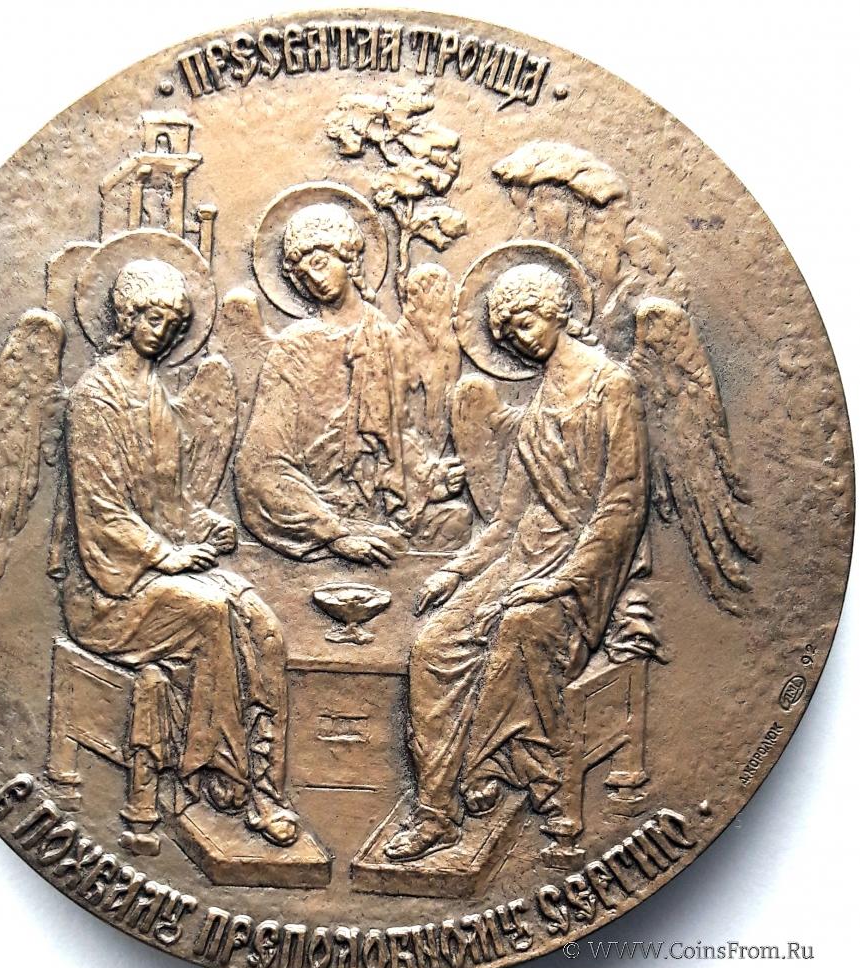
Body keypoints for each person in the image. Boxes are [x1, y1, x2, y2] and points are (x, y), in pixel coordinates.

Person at [385, 262, 649, 861]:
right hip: (521, 560)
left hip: (584, 573)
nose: (517, 338)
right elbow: (506, 521)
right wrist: (457, 571)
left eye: (525, 321)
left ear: (557, 311)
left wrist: (561, 581)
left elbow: (623, 503)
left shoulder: (612, 386)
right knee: (433, 647)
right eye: (506, 332)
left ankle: (534, 782)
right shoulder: (536, 405)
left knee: (521, 629)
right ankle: (436, 813)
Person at [61, 257, 300, 850]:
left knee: (264, 626)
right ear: (126, 316)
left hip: (158, 572)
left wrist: (204, 524)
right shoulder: (94, 398)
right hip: (108, 592)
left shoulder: (155, 396)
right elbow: (100, 509)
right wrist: (162, 554)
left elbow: (171, 499)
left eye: (172, 321)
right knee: (210, 614)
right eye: (152, 317)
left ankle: (266, 783)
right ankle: (228, 781)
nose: (162, 331)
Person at [235, 203, 467, 564]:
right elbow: (260, 465)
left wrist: (426, 478)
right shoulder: (294, 347)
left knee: (457, 522)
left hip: (376, 502)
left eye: (320, 262)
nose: (313, 279)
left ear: (350, 258)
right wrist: (335, 533)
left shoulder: (385, 337)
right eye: (302, 274)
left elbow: (396, 436)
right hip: (314, 508)